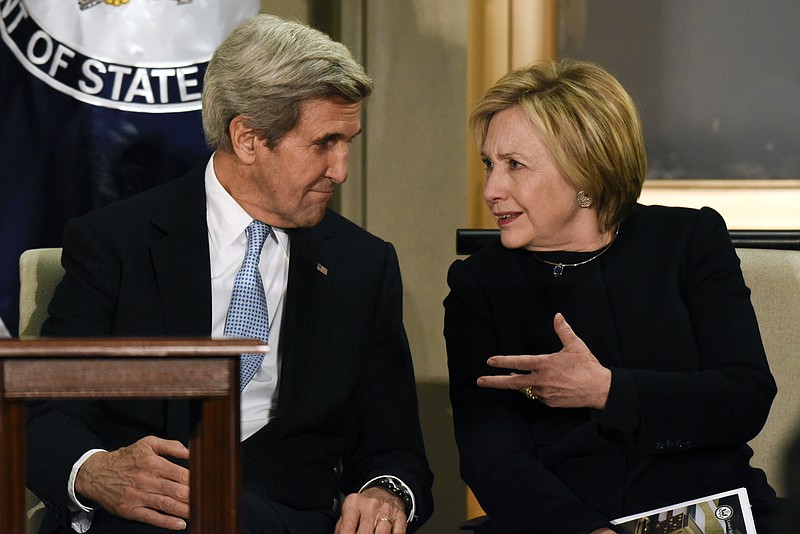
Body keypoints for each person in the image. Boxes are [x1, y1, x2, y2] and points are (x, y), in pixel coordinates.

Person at [27, 14, 433, 534]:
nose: (341, 169)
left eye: (347, 142)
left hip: (289, 519)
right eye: (323, 143)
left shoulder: (363, 265)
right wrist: (95, 472)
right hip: (146, 520)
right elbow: (45, 408)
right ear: (246, 138)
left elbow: (394, 448)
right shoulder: (117, 243)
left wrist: (387, 493)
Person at [444, 59, 783, 533]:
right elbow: (491, 454)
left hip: (708, 512)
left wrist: (608, 390)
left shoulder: (687, 241)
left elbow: (743, 398)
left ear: (584, 170)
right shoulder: (479, 285)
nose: (491, 189)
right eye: (489, 164)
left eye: (514, 166)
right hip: (561, 522)